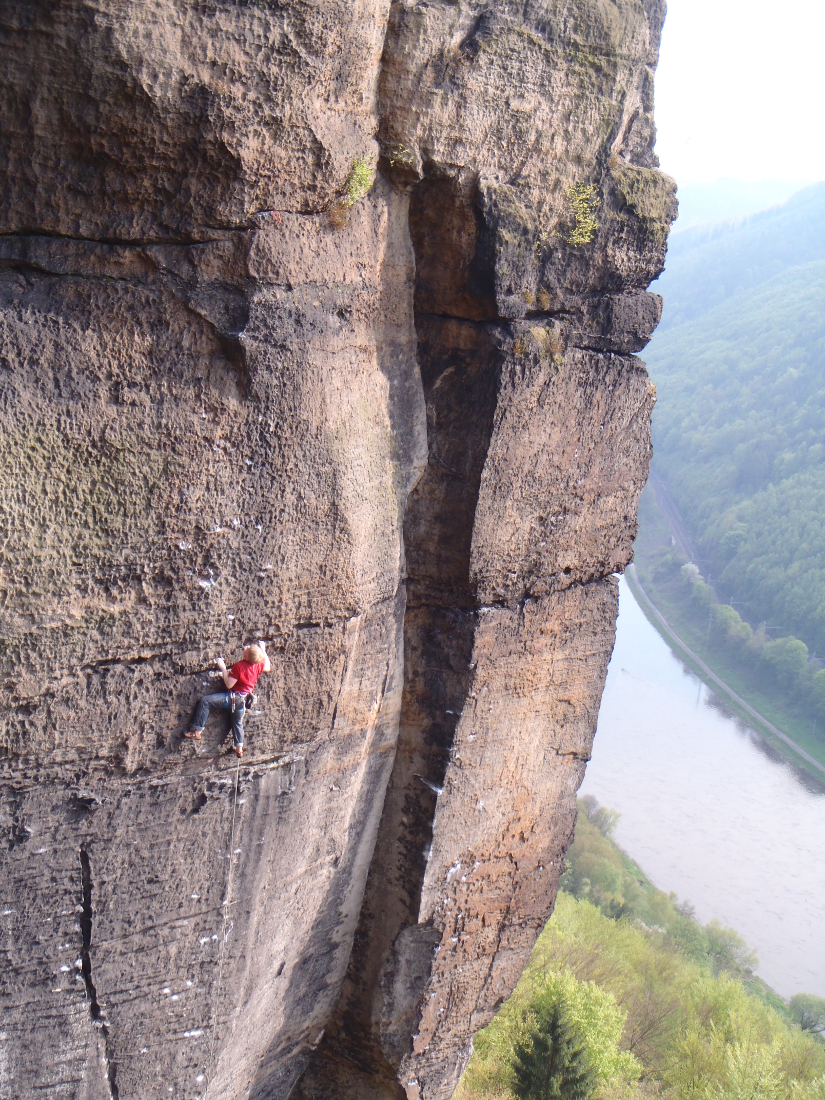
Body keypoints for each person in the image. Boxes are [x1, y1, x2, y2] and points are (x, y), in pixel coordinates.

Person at [185, 642, 271, 757]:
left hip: (232, 699)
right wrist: (263, 650)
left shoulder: (239, 666)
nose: (245, 648)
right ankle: (239, 747)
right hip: (243, 702)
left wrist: (223, 668)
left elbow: (229, 684)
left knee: (205, 701)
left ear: (247, 656)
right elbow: (268, 667)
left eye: (247, 649)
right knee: (237, 723)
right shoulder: (258, 664)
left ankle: (197, 732)